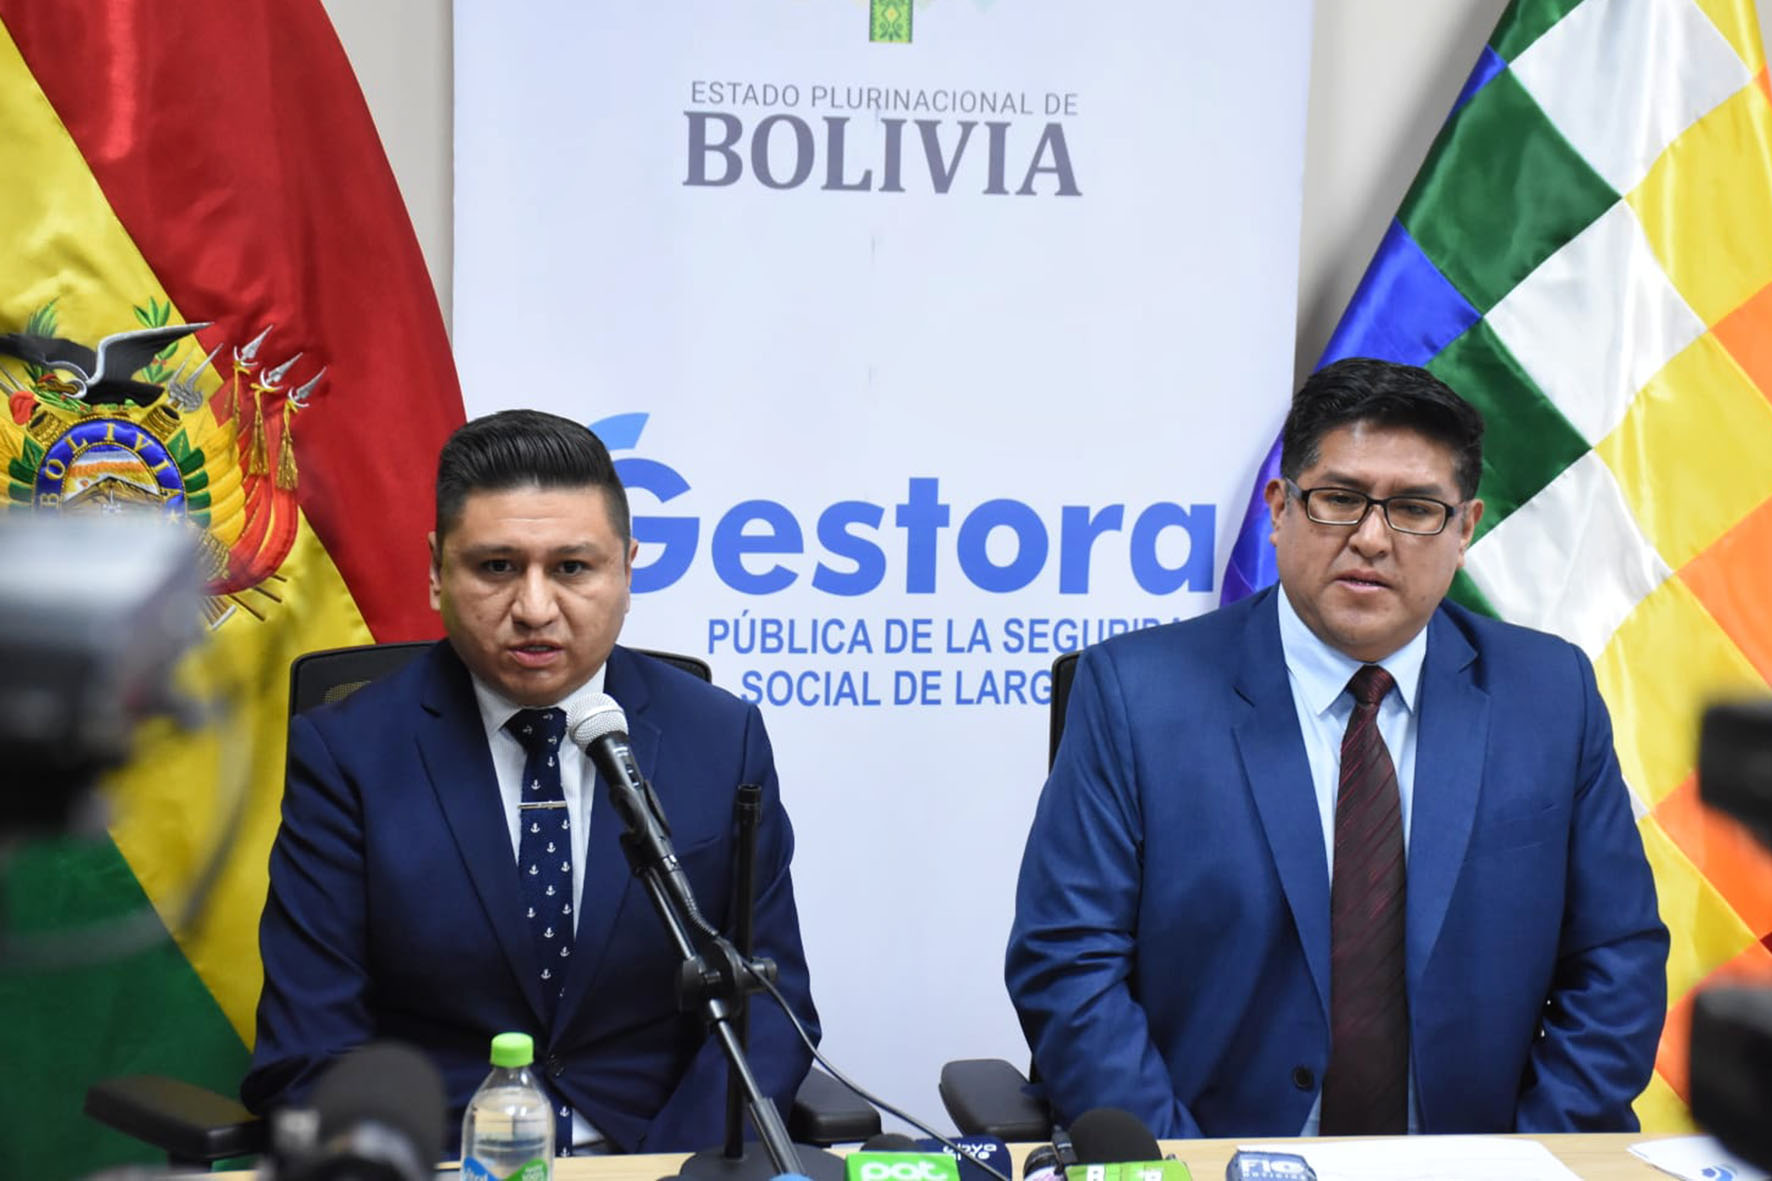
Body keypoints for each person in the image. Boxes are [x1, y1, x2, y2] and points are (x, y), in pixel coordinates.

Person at [1005, 357, 1668, 1138]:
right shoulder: (1135, 695)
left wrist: (1526, 1164)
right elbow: (1069, 961)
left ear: (1465, 530)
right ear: (1280, 509)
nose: (1372, 538)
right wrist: (1185, 1167)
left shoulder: (1551, 696)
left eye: (1416, 508)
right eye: (1340, 499)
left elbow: (1618, 959)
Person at [243, 409, 819, 1153]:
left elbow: (769, 1005)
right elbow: (312, 1043)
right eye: (497, 567)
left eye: (572, 568)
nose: (534, 609)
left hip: (655, 1156)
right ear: (436, 571)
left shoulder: (721, 738)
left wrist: (672, 1170)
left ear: (627, 570)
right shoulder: (348, 753)